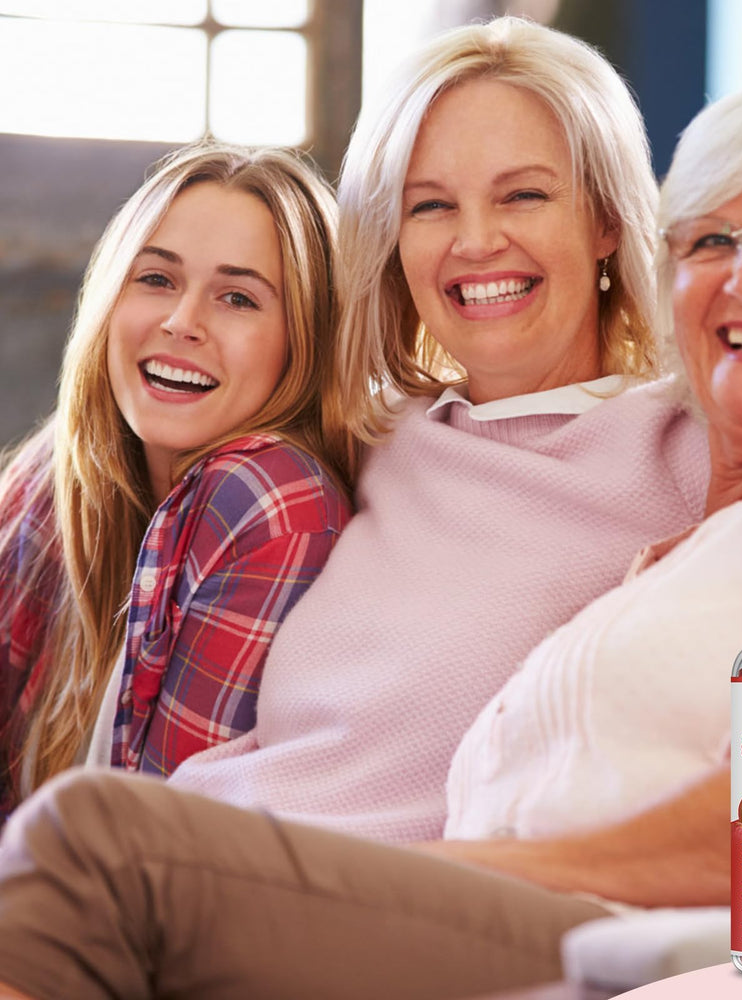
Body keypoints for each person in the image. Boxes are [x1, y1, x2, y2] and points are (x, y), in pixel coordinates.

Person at [0, 70, 742, 1000]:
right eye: (709, 242)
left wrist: (444, 870)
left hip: (600, 940)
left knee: (91, 844)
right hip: (433, 905)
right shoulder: (669, 549)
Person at [157, 15, 710, 842]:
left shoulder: (692, 447)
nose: (476, 240)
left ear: (605, 220)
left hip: (392, 912)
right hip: (206, 857)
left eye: (523, 194)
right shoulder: (372, 439)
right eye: (431, 206)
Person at [0, 143, 351, 819]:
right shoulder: (64, 467)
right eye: (156, 279)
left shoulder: (274, 499)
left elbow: (154, 854)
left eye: (238, 298)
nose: (181, 322)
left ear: (304, 340)